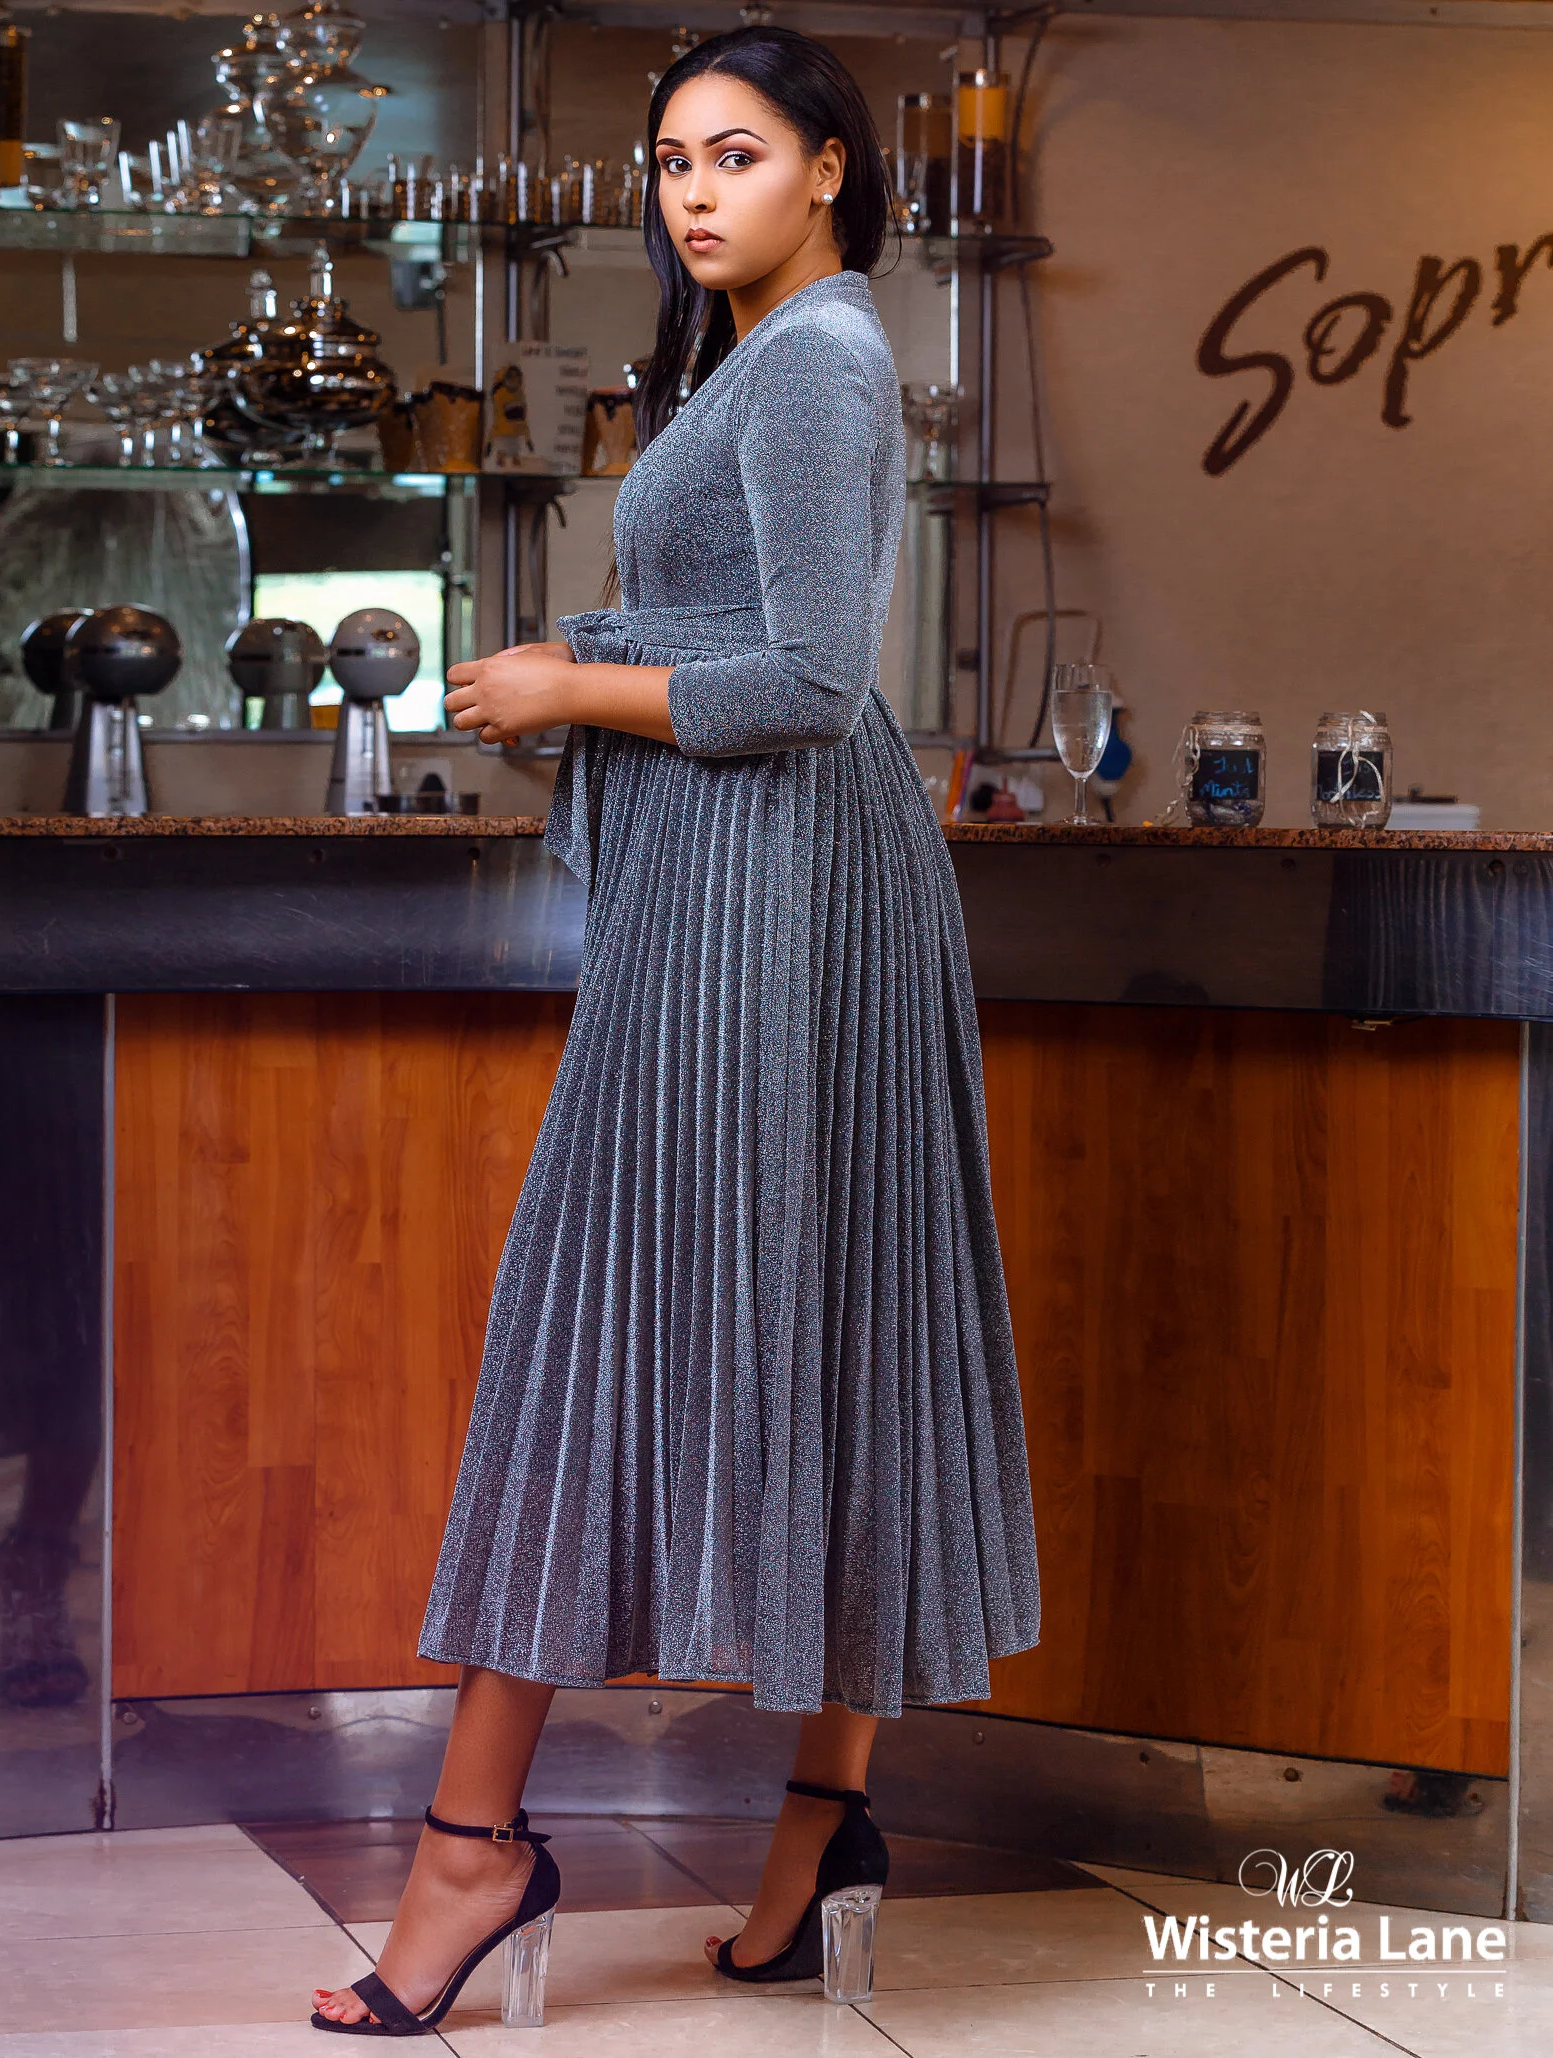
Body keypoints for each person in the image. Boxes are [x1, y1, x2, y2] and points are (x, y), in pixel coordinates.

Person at [311, 23, 1040, 2036]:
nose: (689, 190)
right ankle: (821, 1823)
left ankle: (475, 1845)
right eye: (665, 162)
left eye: (733, 154)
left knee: (607, 1320)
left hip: (782, 896)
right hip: (751, 898)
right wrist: (598, 668)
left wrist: (566, 686)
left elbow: (810, 680)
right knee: (817, 1317)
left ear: (827, 171)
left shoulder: (818, 364)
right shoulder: (753, 357)